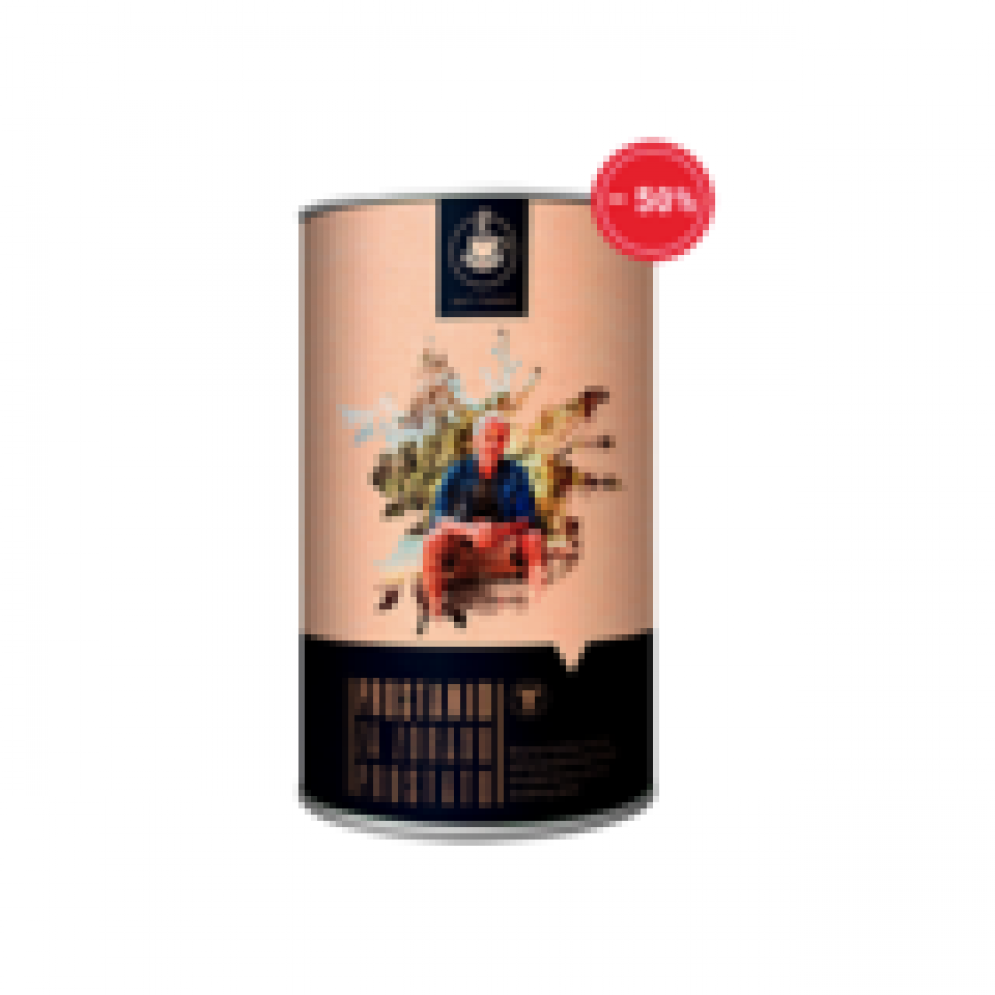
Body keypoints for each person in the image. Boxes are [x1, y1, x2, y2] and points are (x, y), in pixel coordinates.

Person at [423, 414, 545, 618]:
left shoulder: (517, 473)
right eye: (488, 437)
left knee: (534, 537)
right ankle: (435, 611)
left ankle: (538, 607)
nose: (493, 444)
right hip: (463, 541)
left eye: (499, 439)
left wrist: (498, 530)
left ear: (505, 443)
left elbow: (527, 518)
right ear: (476, 440)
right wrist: (470, 530)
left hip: (504, 540)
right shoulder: (455, 473)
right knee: (431, 540)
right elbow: (439, 518)